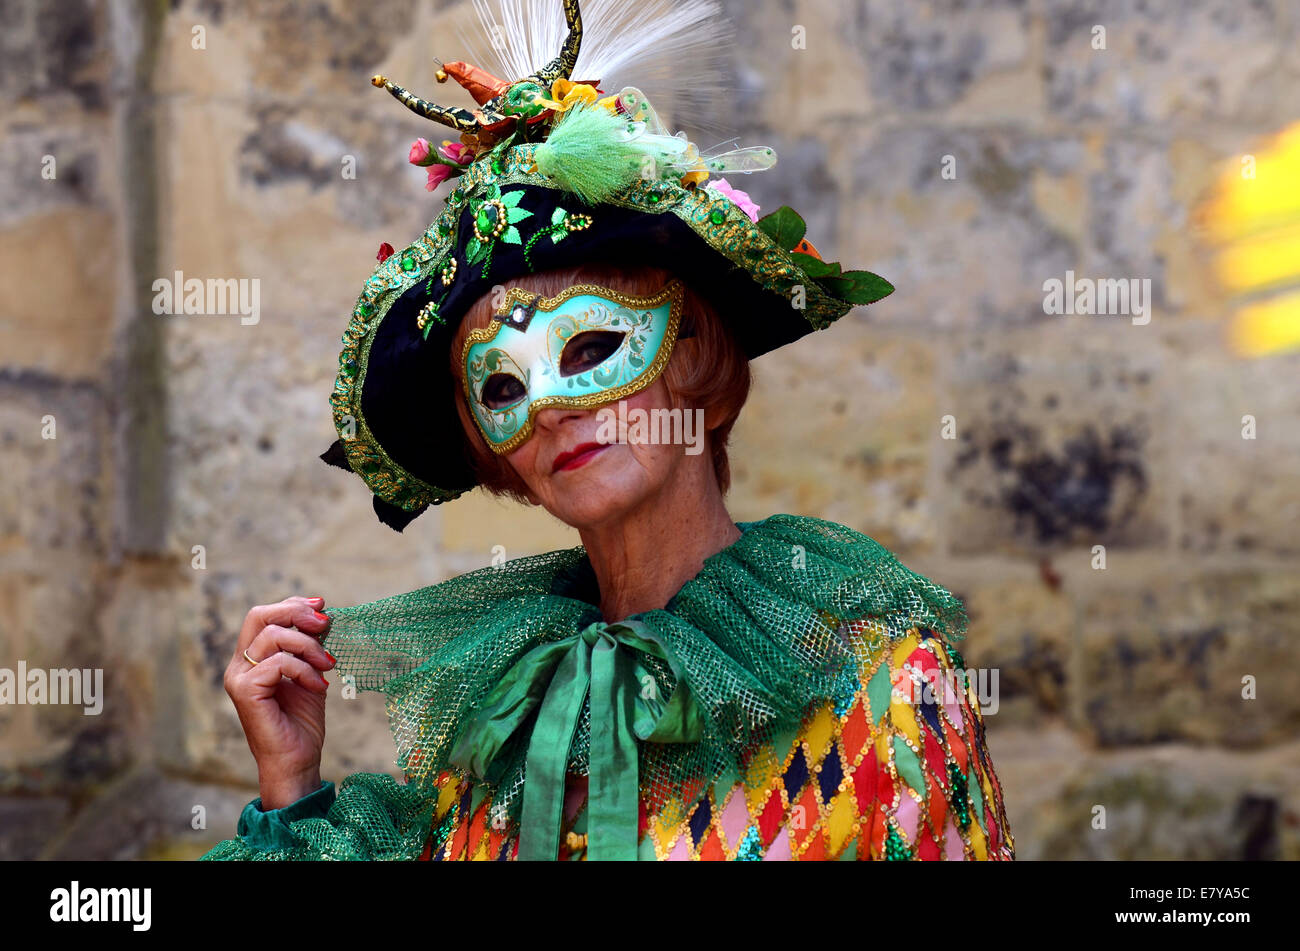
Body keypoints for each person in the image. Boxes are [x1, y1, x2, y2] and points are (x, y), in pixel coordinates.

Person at [201, 0, 1014, 861]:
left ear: (694, 353)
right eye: (504, 386)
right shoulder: (503, 715)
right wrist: (290, 790)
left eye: (591, 345)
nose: (551, 405)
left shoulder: (882, 693)